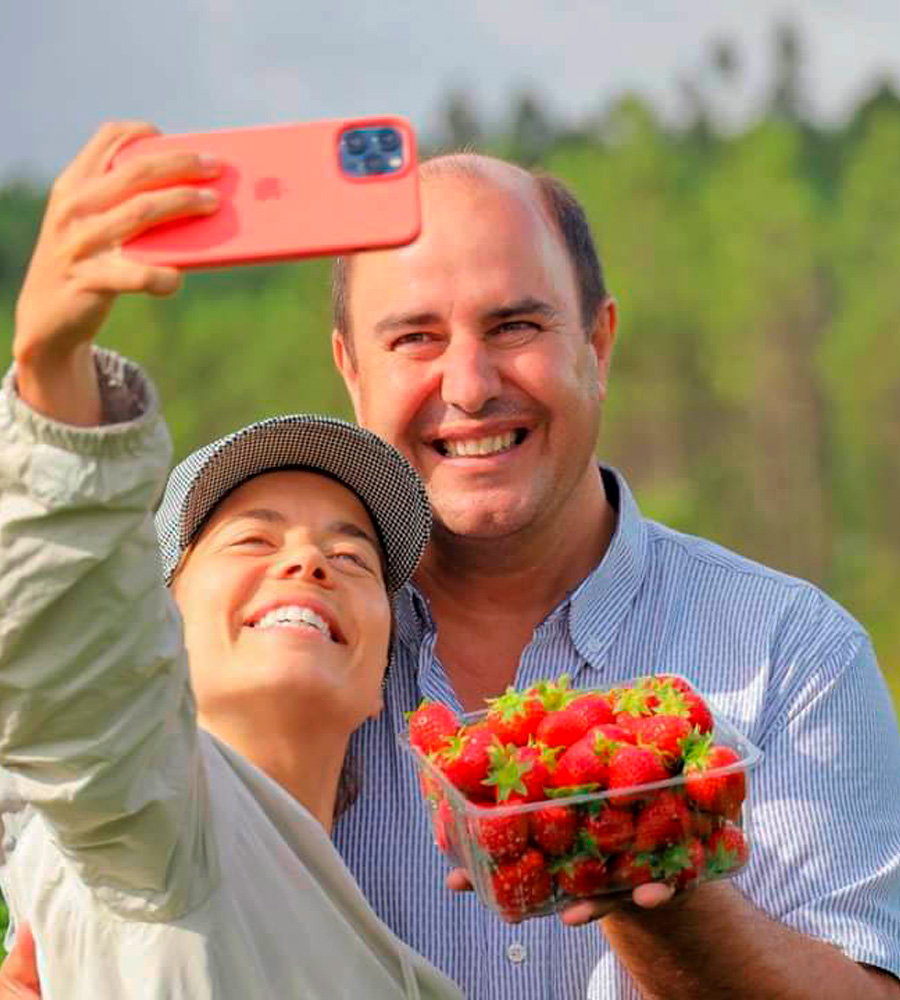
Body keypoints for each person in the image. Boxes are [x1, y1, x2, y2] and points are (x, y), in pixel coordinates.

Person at [4, 125, 900, 999]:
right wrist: (54, 378)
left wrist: (647, 875)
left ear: (599, 343)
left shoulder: (789, 651)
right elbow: (75, 674)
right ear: (351, 368)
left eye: (514, 324)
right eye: (415, 338)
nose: (469, 386)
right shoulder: (220, 745)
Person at [0, 122, 462, 999]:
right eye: (252, 538)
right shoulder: (152, 823)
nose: (308, 563)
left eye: (353, 556)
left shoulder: (404, 977)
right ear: (159, 625)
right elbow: (74, 660)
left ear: (382, 680)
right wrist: (55, 374)